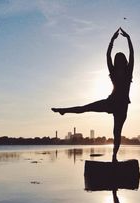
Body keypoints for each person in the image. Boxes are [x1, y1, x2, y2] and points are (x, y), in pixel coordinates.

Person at [51, 28, 134, 162]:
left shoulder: (128, 72)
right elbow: (108, 56)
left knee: (116, 132)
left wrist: (127, 39)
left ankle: (114, 157)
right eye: (117, 59)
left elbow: (131, 54)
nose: (117, 61)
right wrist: (113, 40)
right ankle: (64, 110)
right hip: (113, 102)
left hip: (121, 106)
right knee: (86, 108)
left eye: (119, 59)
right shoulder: (115, 71)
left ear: (122, 61)